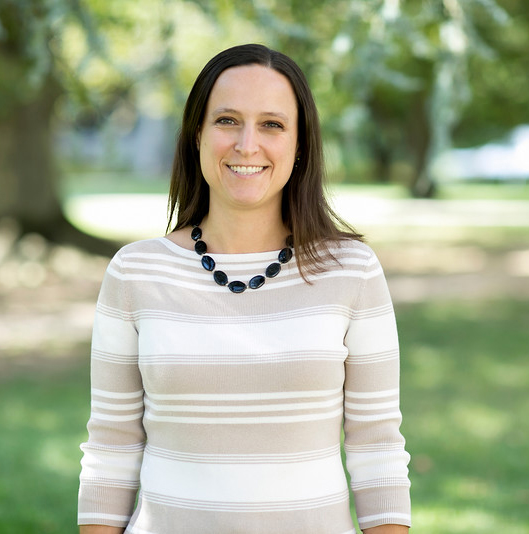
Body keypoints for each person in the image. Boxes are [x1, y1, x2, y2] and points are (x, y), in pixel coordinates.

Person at [78, 43, 411, 534]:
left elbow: (377, 447)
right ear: (197, 135)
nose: (246, 144)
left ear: (301, 145)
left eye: (272, 124)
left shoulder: (351, 271)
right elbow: (112, 447)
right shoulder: (136, 273)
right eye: (227, 120)